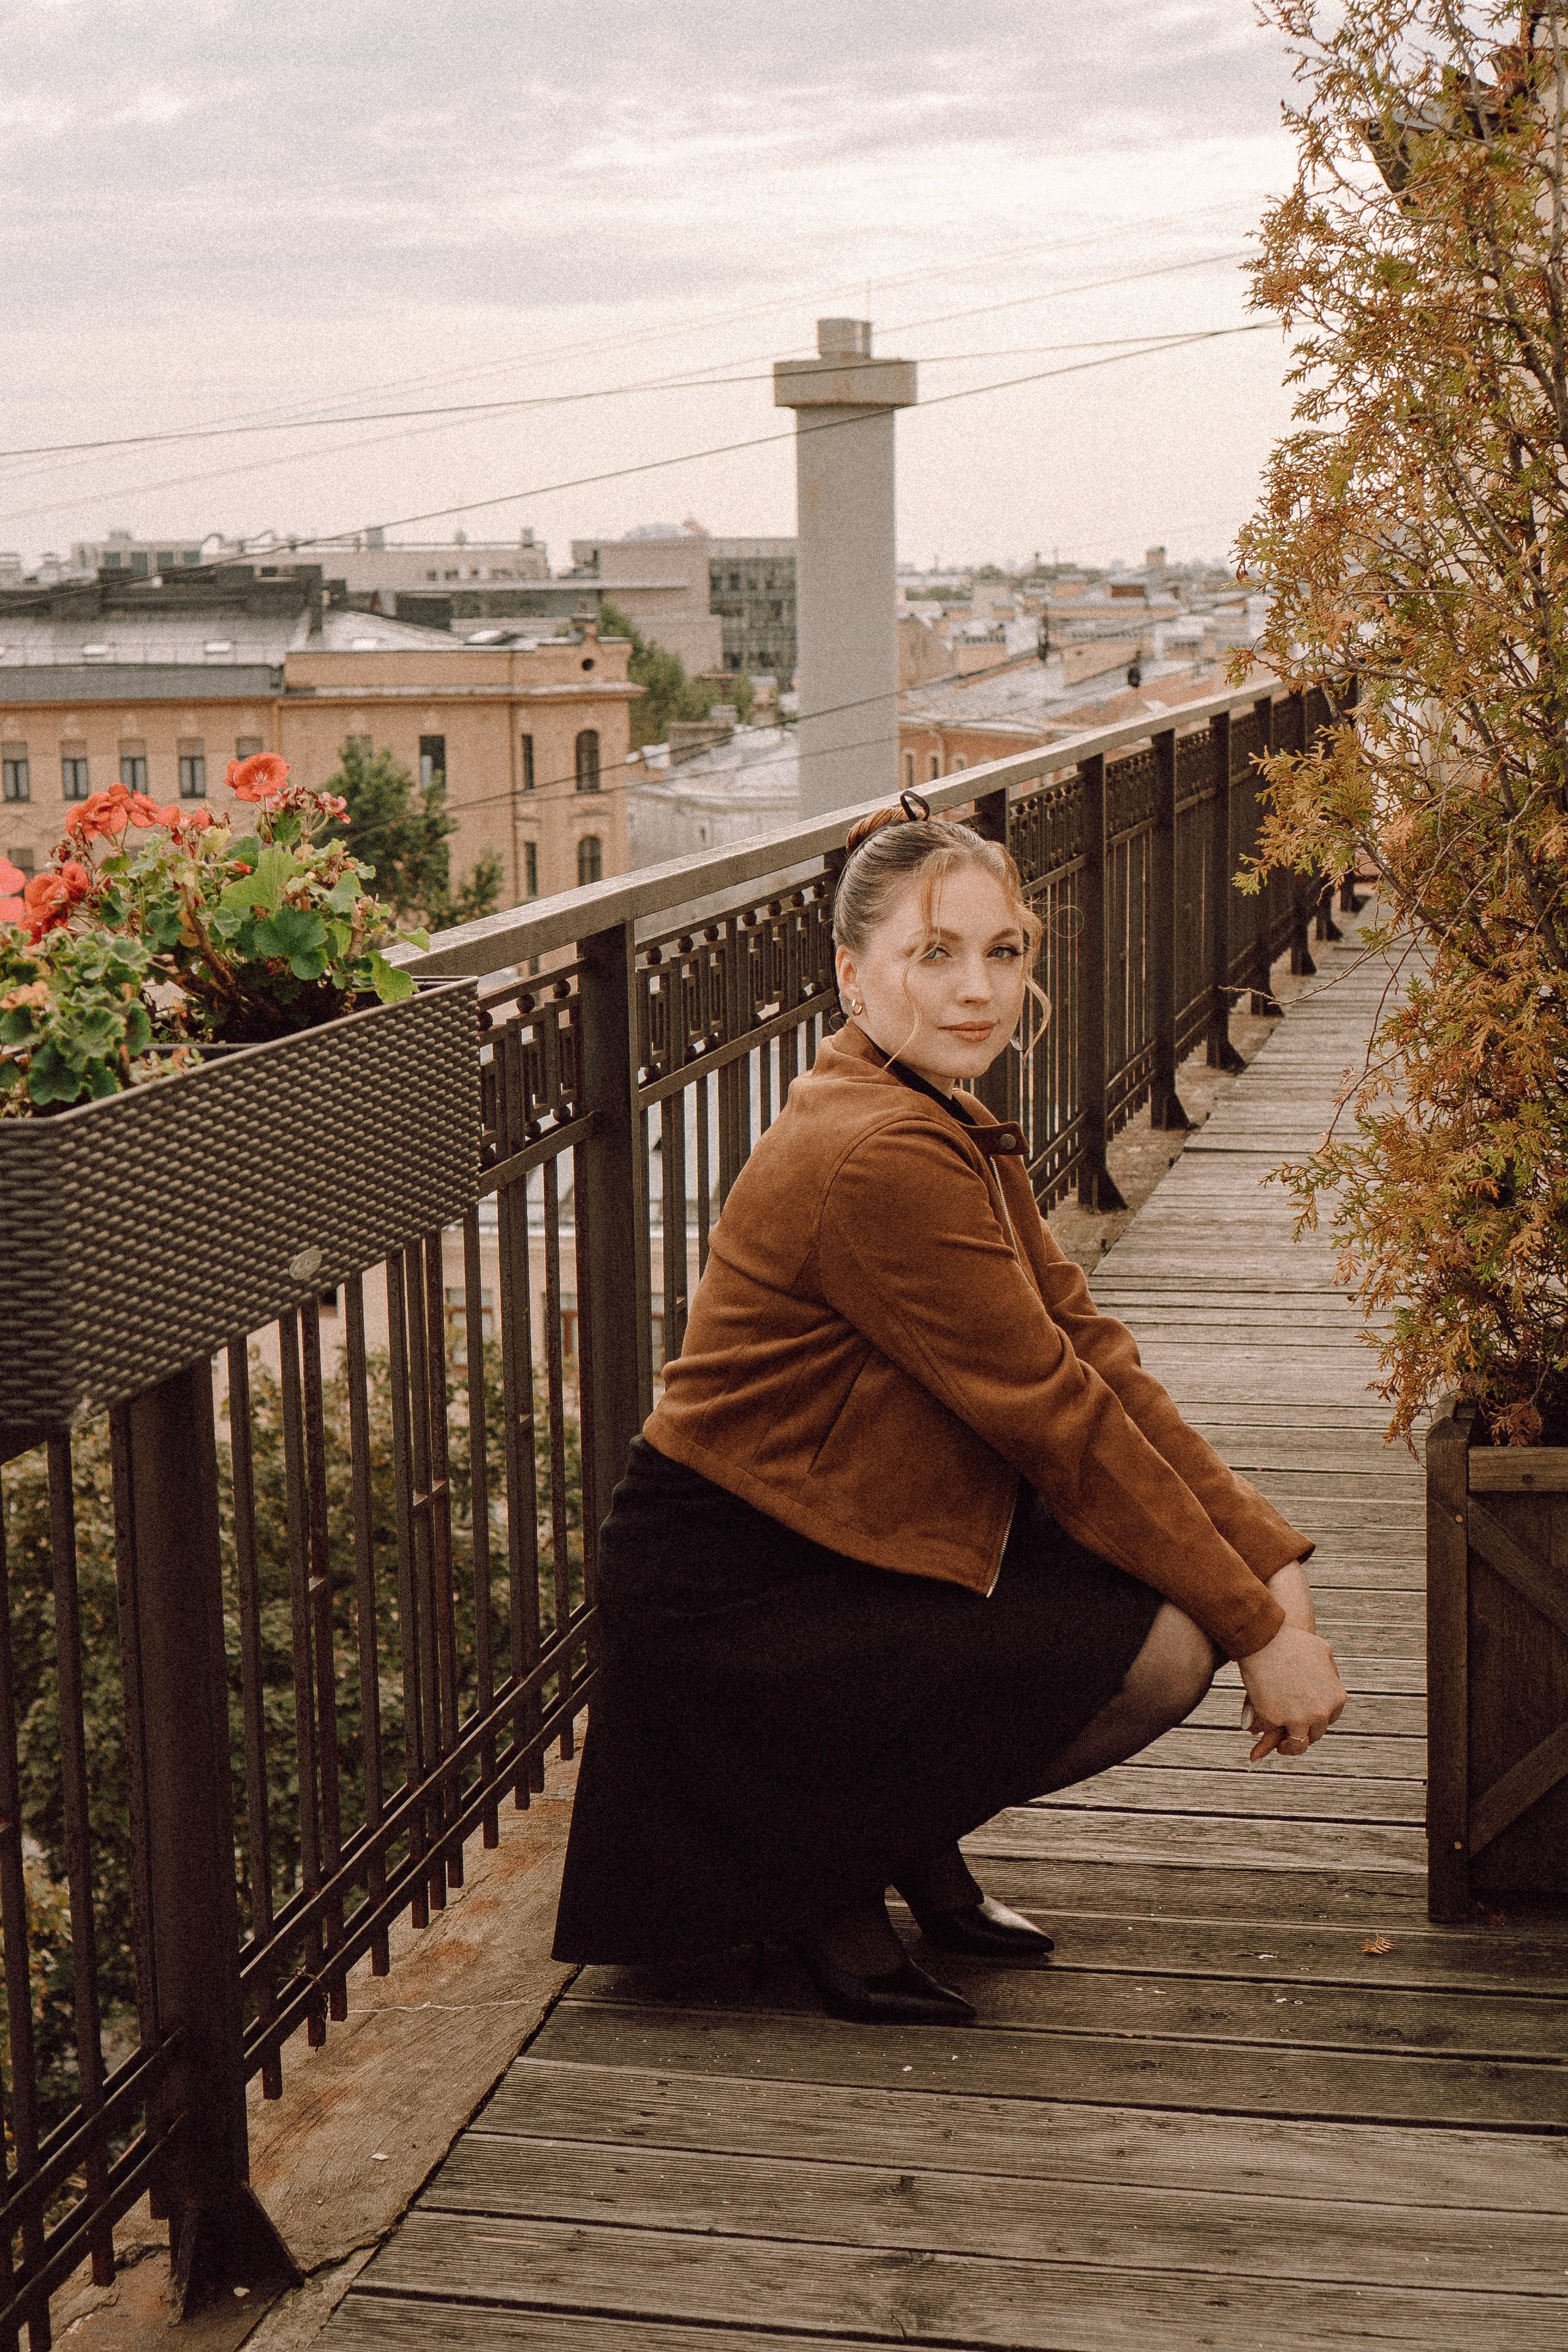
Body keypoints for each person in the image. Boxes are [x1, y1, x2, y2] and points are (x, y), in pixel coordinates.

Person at [552, 794, 1348, 2024]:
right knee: (1165, 1652)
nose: (976, 990)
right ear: (851, 975)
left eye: (1001, 951)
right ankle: (833, 1868)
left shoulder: (923, 1105)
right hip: (736, 1577)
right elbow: (1055, 1420)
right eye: (933, 955)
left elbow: (1090, 1355)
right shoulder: (880, 1154)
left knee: (1165, 1613)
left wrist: (1261, 1548)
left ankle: (895, 1834)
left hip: (844, 1527)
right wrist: (1257, 1626)